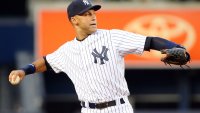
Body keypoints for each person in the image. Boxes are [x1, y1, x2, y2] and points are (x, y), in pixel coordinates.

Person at [8, 0, 190, 113]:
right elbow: (46, 62)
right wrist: (24, 71)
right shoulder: (67, 50)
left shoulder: (112, 37)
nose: (93, 17)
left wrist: (176, 47)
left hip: (119, 108)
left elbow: (149, 41)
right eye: (86, 14)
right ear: (74, 20)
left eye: (93, 13)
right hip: (88, 110)